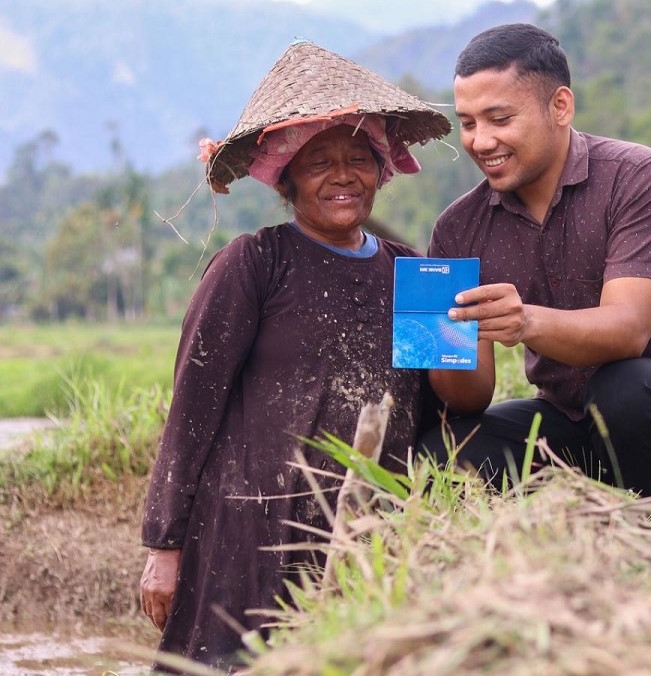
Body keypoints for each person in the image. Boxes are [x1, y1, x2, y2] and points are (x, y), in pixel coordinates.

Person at [139, 41, 450, 672]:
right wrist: (163, 546)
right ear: (285, 178)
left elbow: (440, 410)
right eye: (319, 162)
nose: (343, 175)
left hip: (368, 532)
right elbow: (192, 410)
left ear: (382, 169)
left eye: (358, 158)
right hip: (247, 538)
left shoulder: (418, 277)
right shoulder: (253, 264)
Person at [418, 24, 651, 499]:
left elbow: (627, 331)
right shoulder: (458, 228)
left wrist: (524, 322)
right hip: (573, 420)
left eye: (499, 119)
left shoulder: (638, 178)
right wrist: (442, 336)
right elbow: (469, 397)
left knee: (625, 387)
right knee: (439, 455)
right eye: (468, 123)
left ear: (560, 106)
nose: (480, 141)